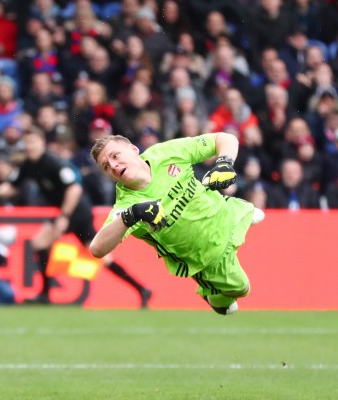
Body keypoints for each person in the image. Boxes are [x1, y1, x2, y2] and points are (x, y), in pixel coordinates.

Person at [90, 132, 265, 316]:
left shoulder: (165, 152)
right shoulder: (127, 205)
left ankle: (242, 214)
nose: (113, 166)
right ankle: (215, 298)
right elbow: (97, 249)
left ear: (134, 149)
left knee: (254, 213)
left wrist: (224, 163)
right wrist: (131, 215)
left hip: (226, 212)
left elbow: (225, 139)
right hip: (207, 258)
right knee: (242, 289)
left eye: (115, 156)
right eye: (106, 167)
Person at [12, 128, 151, 307]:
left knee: (39, 243)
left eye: (32, 142)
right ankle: (141, 289)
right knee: (103, 258)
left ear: (42, 142)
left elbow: (75, 189)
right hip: (71, 213)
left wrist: (64, 216)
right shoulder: (28, 165)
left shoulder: (52, 162)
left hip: (76, 212)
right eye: (26, 143)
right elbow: (12, 186)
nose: (29, 146)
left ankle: (45, 294)